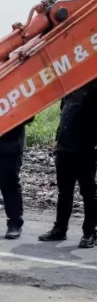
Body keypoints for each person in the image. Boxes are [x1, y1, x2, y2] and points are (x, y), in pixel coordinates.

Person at [39, 81, 97, 248]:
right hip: (64, 148)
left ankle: (90, 233)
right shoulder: (70, 87)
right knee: (64, 192)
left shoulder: (94, 88)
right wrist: (57, 139)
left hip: (85, 149)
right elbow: (64, 114)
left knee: (88, 192)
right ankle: (60, 229)